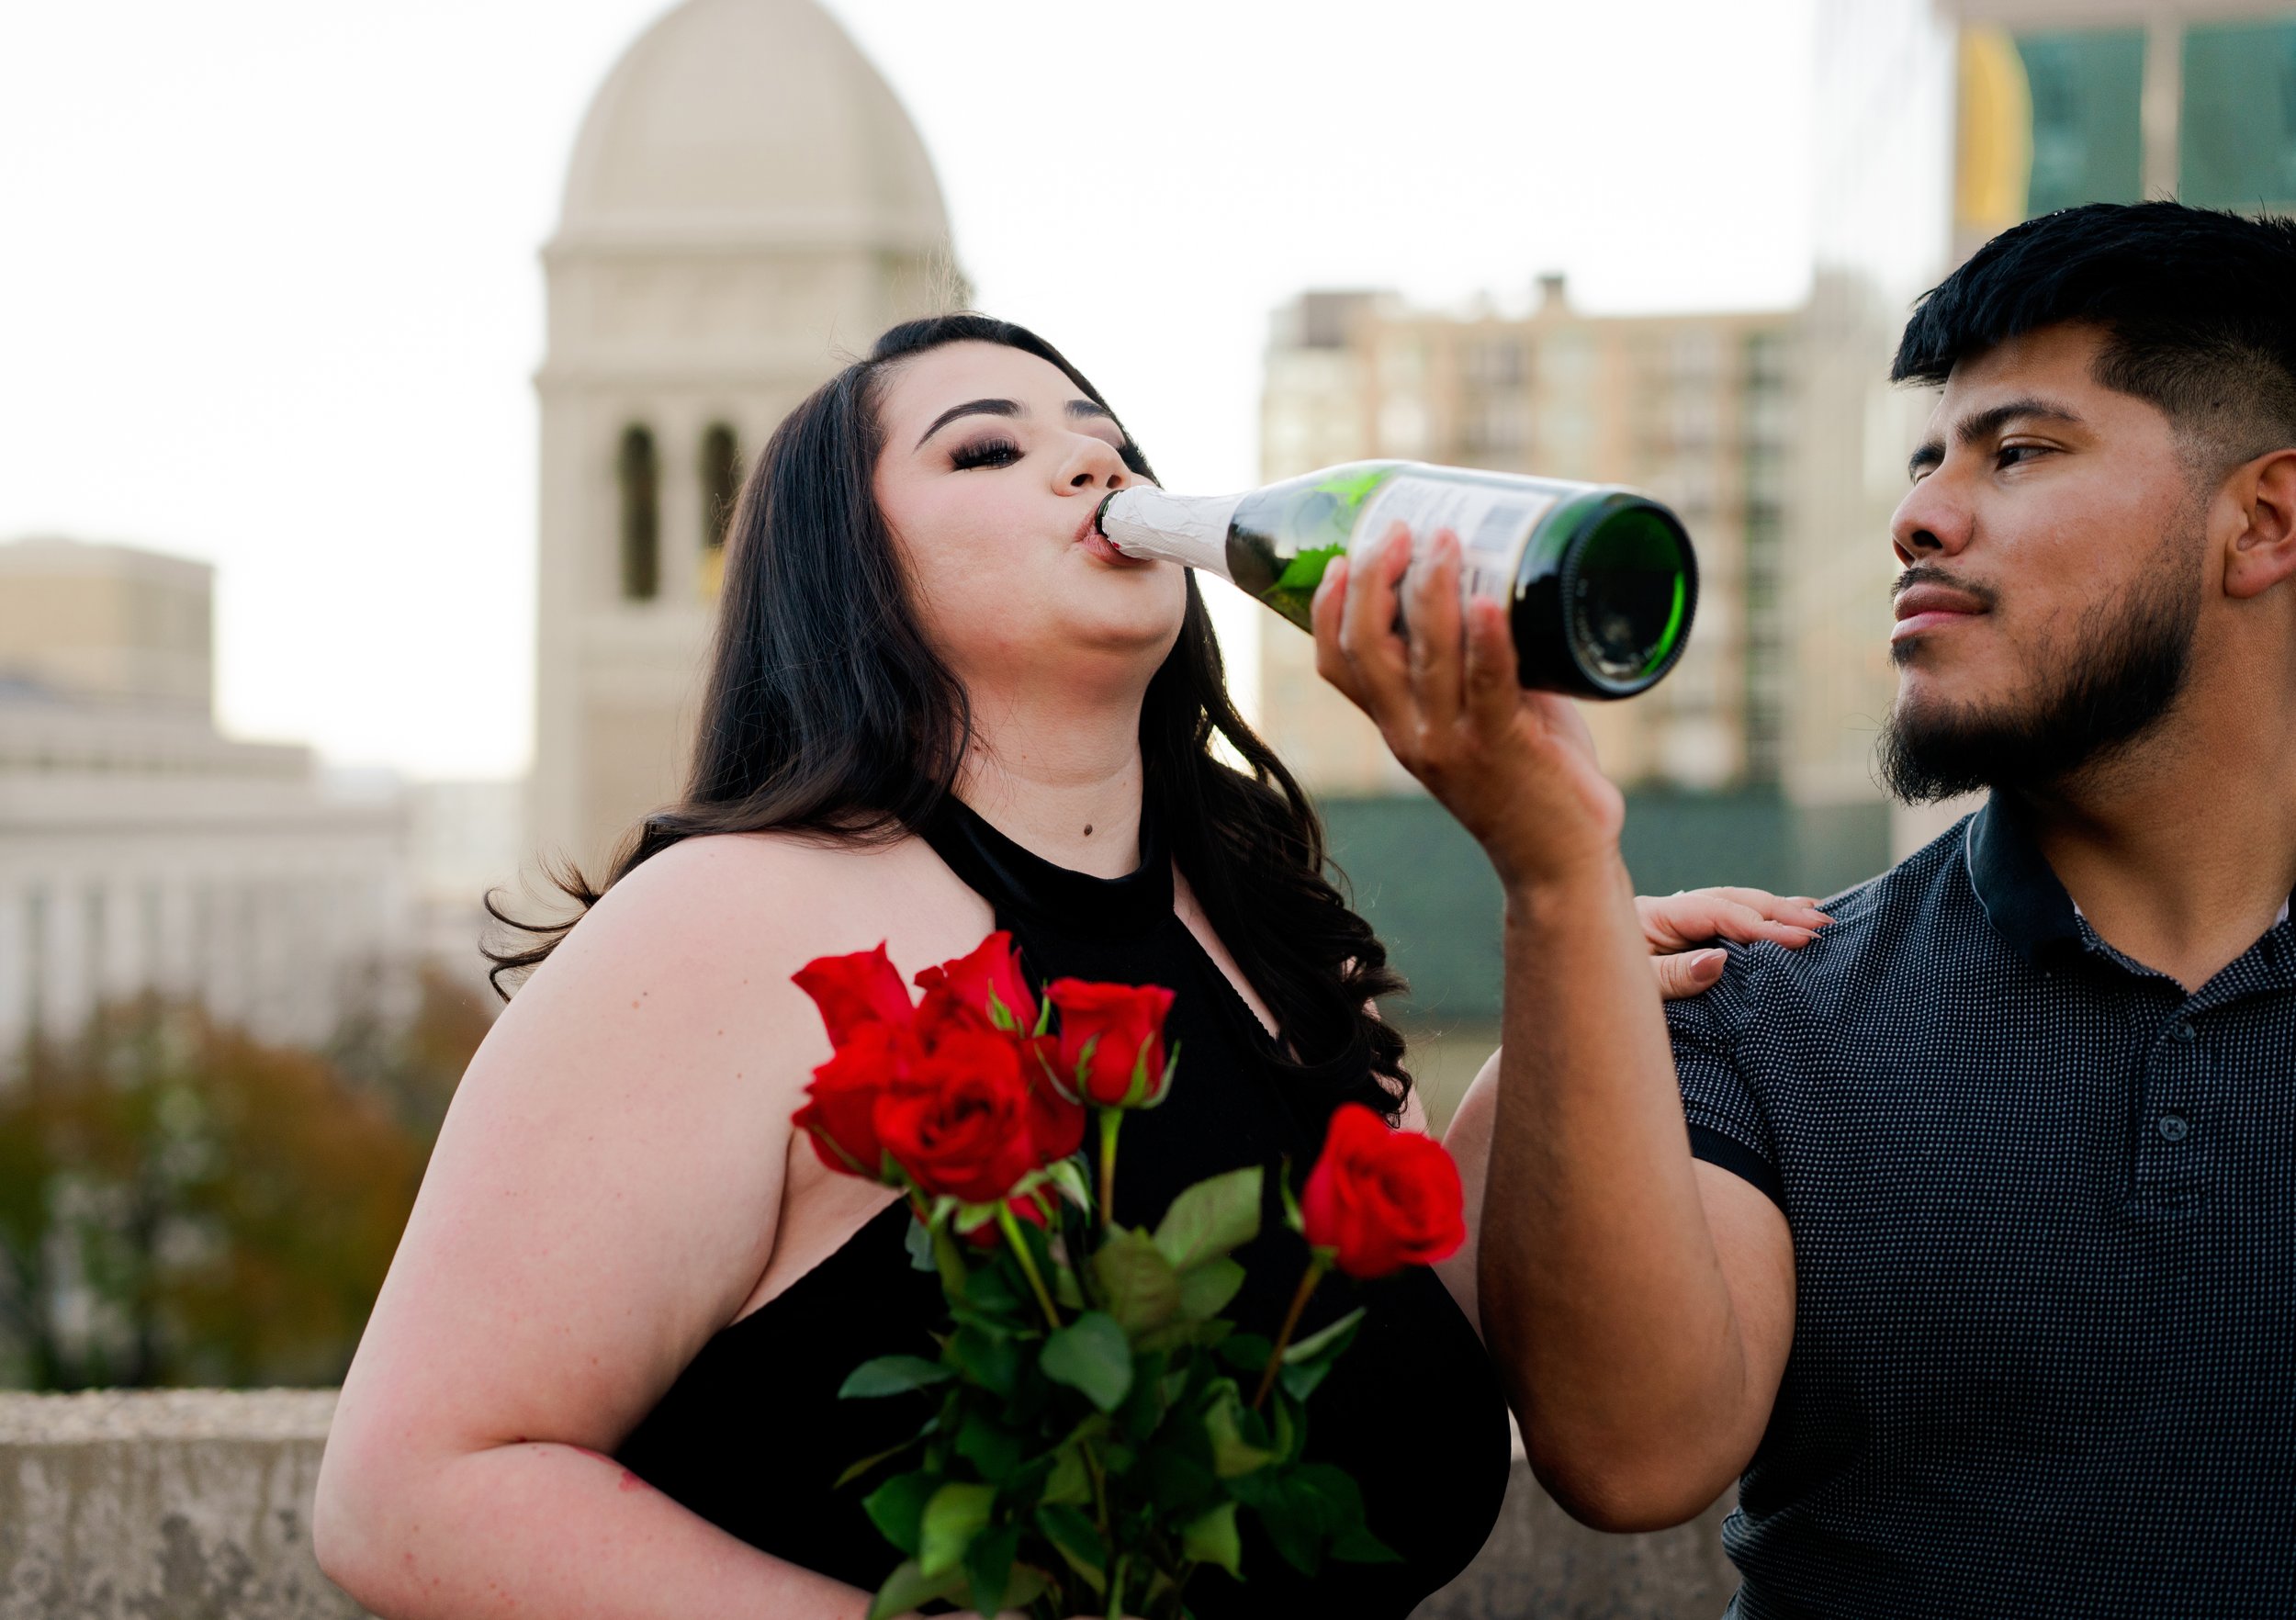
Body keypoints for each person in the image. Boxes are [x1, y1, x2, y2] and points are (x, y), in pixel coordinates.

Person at [310, 313, 1820, 1619]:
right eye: (986, 452)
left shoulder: (1285, 954)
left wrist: (1568, 961)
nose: (1096, 467)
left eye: (1108, 441)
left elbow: (1604, 1432)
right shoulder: (730, 923)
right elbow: (411, 1496)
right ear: (846, 576)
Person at [1317, 200, 2296, 1617]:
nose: (1917, 516)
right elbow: (1631, 1454)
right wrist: (1556, 881)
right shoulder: (1758, 1001)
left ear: (2264, 519)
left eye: (2018, 451)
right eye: (1925, 461)